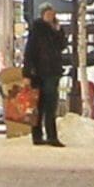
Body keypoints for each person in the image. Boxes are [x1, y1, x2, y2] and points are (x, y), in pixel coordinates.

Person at [22, 10, 68, 146]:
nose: (50, 17)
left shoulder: (56, 29)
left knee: (50, 105)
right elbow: (29, 52)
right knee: (39, 105)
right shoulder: (37, 30)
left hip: (52, 72)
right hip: (38, 72)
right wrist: (27, 74)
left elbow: (62, 46)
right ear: (42, 15)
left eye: (52, 14)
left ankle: (51, 136)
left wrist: (58, 31)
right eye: (47, 14)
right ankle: (38, 136)